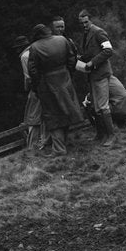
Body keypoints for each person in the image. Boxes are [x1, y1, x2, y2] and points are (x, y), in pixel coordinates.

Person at [28, 23, 83, 155]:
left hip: (47, 83)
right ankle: (65, 141)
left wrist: (37, 86)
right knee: (67, 109)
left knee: (52, 115)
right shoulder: (62, 40)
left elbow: (33, 71)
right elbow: (72, 58)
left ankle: (59, 149)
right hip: (64, 79)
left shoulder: (34, 47)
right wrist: (68, 74)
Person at [78, 9, 116, 144]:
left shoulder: (98, 32)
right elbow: (91, 52)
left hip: (101, 74)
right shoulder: (86, 34)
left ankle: (111, 136)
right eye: (81, 23)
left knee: (102, 106)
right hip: (92, 75)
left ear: (91, 20)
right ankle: (100, 134)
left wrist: (92, 62)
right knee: (95, 106)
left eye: (86, 22)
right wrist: (81, 58)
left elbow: (108, 50)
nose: (84, 25)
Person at [15, 35, 47, 153]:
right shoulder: (37, 51)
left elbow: (28, 77)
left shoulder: (24, 56)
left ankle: (32, 146)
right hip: (46, 87)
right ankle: (44, 141)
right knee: (44, 115)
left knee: (33, 117)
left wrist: (27, 88)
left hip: (35, 89)